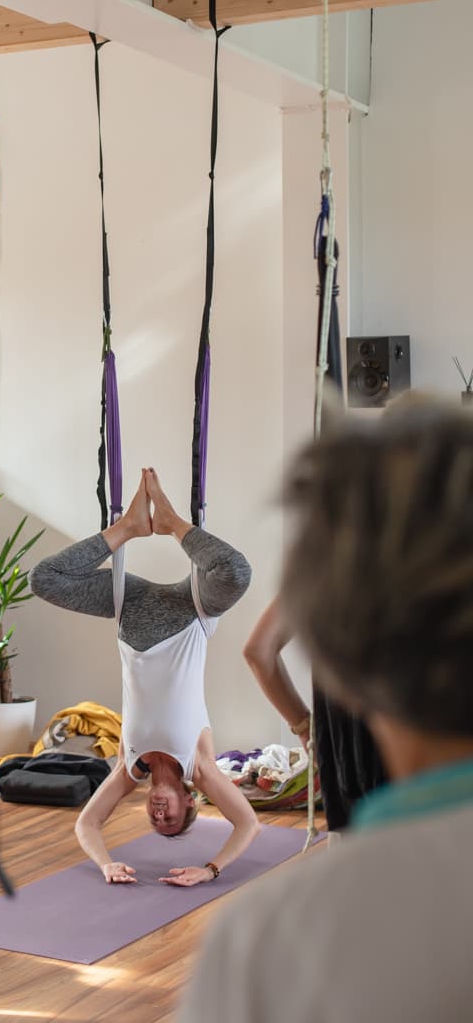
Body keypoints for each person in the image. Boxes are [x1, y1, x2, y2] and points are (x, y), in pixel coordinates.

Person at [178, 399, 473, 1022]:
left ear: (337, 650)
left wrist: (306, 726)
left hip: (354, 778)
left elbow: (260, 651)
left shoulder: (272, 944)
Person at [30, 468, 259, 887]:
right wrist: (210, 871)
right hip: (192, 610)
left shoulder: (128, 766)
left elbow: (87, 824)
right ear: (190, 800)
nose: (159, 816)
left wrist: (106, 865)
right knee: (236, 572)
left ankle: (126, 528)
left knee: (43, 580)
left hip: (129, 606)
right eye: (171, 819)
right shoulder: (201, 767)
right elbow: (248, 824)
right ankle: (173, 524)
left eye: (156, 823)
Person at [243, 596, 386, 828]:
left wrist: (304, 729)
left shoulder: (319, 567)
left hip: (342, 753)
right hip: (418, 754)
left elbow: (258, 650)